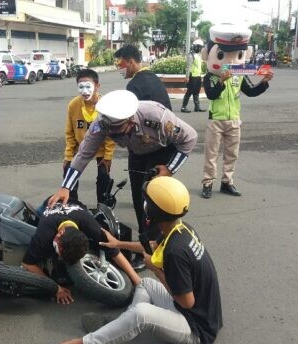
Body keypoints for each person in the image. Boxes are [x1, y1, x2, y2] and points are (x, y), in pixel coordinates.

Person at [29, 176, 222, 344]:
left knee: (142, 314)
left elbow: (186, 302)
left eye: (147, 202)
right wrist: (118, 244)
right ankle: (123, 325)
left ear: (152, 211)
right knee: (144, 284)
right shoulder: (181, 229)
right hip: (202, 313)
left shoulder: (175, 253)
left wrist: (155, 268)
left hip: (196, 328)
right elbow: (154, 246)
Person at [47, 90, 198, 270]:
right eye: (111, 131)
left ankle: (154, 252)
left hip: (163, 153)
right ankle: (145, 244)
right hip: (138, 153)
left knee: (151, 203)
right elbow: (84, 153)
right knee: (137, 197)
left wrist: (170, 168)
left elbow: (190, 137)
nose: (113, 135)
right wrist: (66, 187)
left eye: (118, 132)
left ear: (131, 121)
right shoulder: (102, 123)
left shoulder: (157, 117)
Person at [200, 24, 274, 199]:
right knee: (211, 154)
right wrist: (221, 81)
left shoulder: (239, 75)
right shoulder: (210, 77)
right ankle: (208, 183)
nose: (231, 61)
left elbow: (250, 92)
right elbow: (211, 95)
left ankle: (227, 182)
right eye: (222, 55)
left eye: (238, 55)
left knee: (232, 154)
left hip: (234, 120)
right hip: (215, 120)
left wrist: (264, 82)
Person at [22, 196, 141, 305]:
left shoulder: (90, 225)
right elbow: (27, 263)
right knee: (33, 221)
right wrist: (55, 287)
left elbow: (115, 251)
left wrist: (138, 282)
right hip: (50, 203)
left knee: (107, 237)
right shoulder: (44, 234)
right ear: (60, 233)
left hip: (76, 207)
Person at [63, 69, 114, 204]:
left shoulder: (106, 105)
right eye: (81, 87)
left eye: (88, 86)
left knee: (104, 177)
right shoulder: (74, 105)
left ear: (97, 86)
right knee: (69, 176)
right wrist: (68, 155)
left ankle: (103, 208)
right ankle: (72, 206)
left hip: (101, 147)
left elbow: (111, 134)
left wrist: (108, 156)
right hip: (81, 147)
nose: (85, 91)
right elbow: (70, 133)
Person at [114, 44, 171, 110]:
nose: (120, 69)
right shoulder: (154, 77)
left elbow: (133, 114)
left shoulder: (133, 85)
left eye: (121, 65)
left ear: (131, 62)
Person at [181, 39, 205, 113]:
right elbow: (188, 66)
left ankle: (197, 107)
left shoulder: (198, 55)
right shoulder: (190, 55)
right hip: (192, 76)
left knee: (196, 92)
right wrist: (187, 77)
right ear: (195, 46)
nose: (200, 49)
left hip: (198, 76)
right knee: (189, 92)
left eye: (201, 47)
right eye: (198, 47)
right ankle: (183, 107)